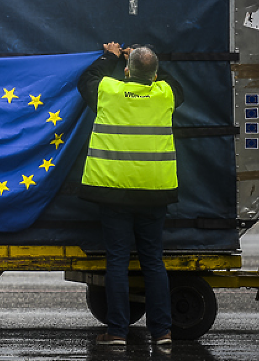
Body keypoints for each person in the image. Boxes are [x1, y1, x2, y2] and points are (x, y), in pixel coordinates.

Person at [77, 42, 184, 347]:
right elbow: (176, 85)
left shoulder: (109, 91)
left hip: (113, 191)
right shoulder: (164, 94)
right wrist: (143, 63)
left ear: (126, 71)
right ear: (155, 73)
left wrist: (110, 55)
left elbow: (85, 80)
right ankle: (163, 331)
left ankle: (117, 332)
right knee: (153, 262)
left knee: (117, 262)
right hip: (154, 192)